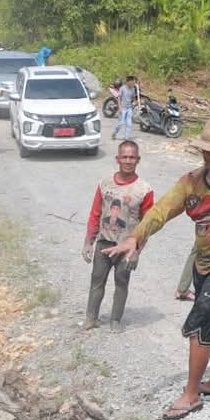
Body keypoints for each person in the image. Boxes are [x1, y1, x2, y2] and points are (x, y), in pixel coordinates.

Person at [104, 119, 210, 420]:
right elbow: (161, 210)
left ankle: (190, 393)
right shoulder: (192, 181)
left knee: (198, 325)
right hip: (203, 263)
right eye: (204, 150)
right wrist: (136, 236)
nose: (207, 156)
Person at [83, 140, 155, 332]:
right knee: (97, 281)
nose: (128, 160)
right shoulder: (105, 184)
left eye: (132, 157)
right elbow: (95, 213)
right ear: (117, 159)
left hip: (126, 247)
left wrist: (137, 251)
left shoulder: (144, 190)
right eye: (124, 156)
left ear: (138, 160)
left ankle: (115, 320)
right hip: (104, 243)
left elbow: (147, 224)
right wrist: (88, 242)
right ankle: (91, 318)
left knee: (121, 282)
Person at [112, 76, 138, 141]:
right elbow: (119, 98)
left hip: (129, 108)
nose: (133, 83)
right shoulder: (122, 88)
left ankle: (127, 138)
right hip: (123, 108)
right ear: (127, 82)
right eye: (132, 82)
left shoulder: (133, 89)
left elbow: (133, 98)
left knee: (129, 123)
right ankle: (114, 133)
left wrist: (135, 102)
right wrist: (120, 108)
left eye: (133, 82)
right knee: (121, 123)